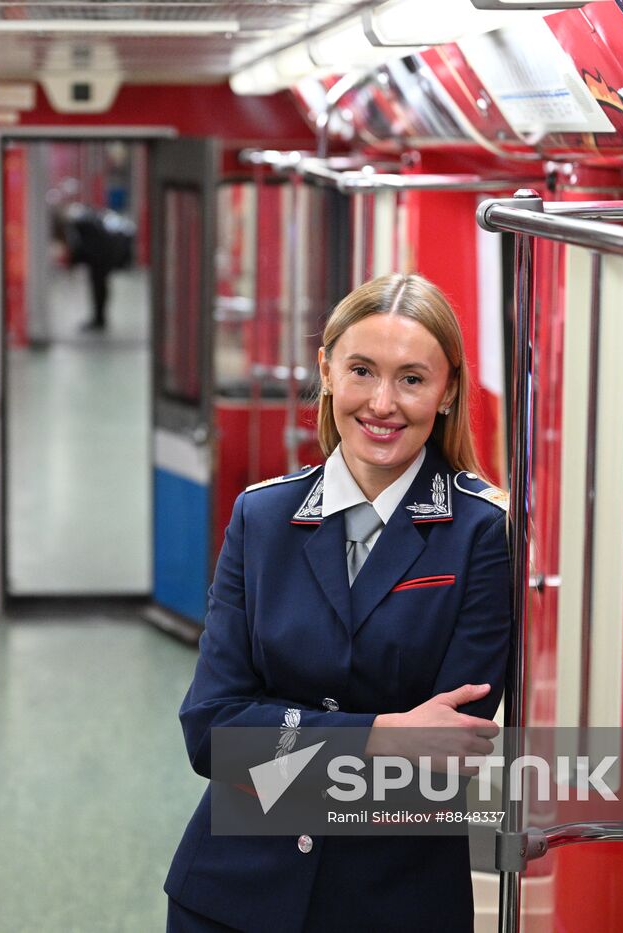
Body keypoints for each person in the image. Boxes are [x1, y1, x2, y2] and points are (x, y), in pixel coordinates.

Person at [164, 273, 512, 932]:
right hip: (231, 896)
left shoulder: (481, 534)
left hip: (392, 902)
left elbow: (443, 757)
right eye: (362, 370)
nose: (382, 403)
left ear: (448, 392)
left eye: (411, 378)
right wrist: (382, 735)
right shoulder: (261, 516)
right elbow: (211, 731)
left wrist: (274, 735)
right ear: (326, 371)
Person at [55, 202, 134, 331]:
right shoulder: (86, 222)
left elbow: (81, 248)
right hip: (103, 259)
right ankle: (99, 318)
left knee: (99, 289)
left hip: (100, 260)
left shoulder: (79, 226)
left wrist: (72, 262)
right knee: (100, 289)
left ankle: (99, 319)